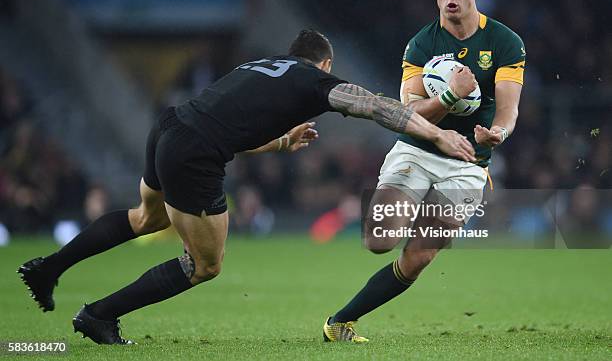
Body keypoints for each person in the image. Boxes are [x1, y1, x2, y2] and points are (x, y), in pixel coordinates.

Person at [18, 29, 475, 345]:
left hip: (170, 127)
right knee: (205, 265)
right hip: (194, 155)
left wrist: (279, 141)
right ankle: (98, 315)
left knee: (144, 217)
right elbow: (374, 107)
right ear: (326, 63)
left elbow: (227, 123)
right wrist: (439, 129)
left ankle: (50, 267)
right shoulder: (313, 79)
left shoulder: (260, 66)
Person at [323, 0, 525, 342]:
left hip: (468, 162)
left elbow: (508, 109)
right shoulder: (420, 46)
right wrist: (452, 96)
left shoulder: (505, 42)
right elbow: (409, 112)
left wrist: (498, 133)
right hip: (416, 152)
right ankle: (415, 208)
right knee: (379, 241)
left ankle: (339, 322)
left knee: (418, 256)